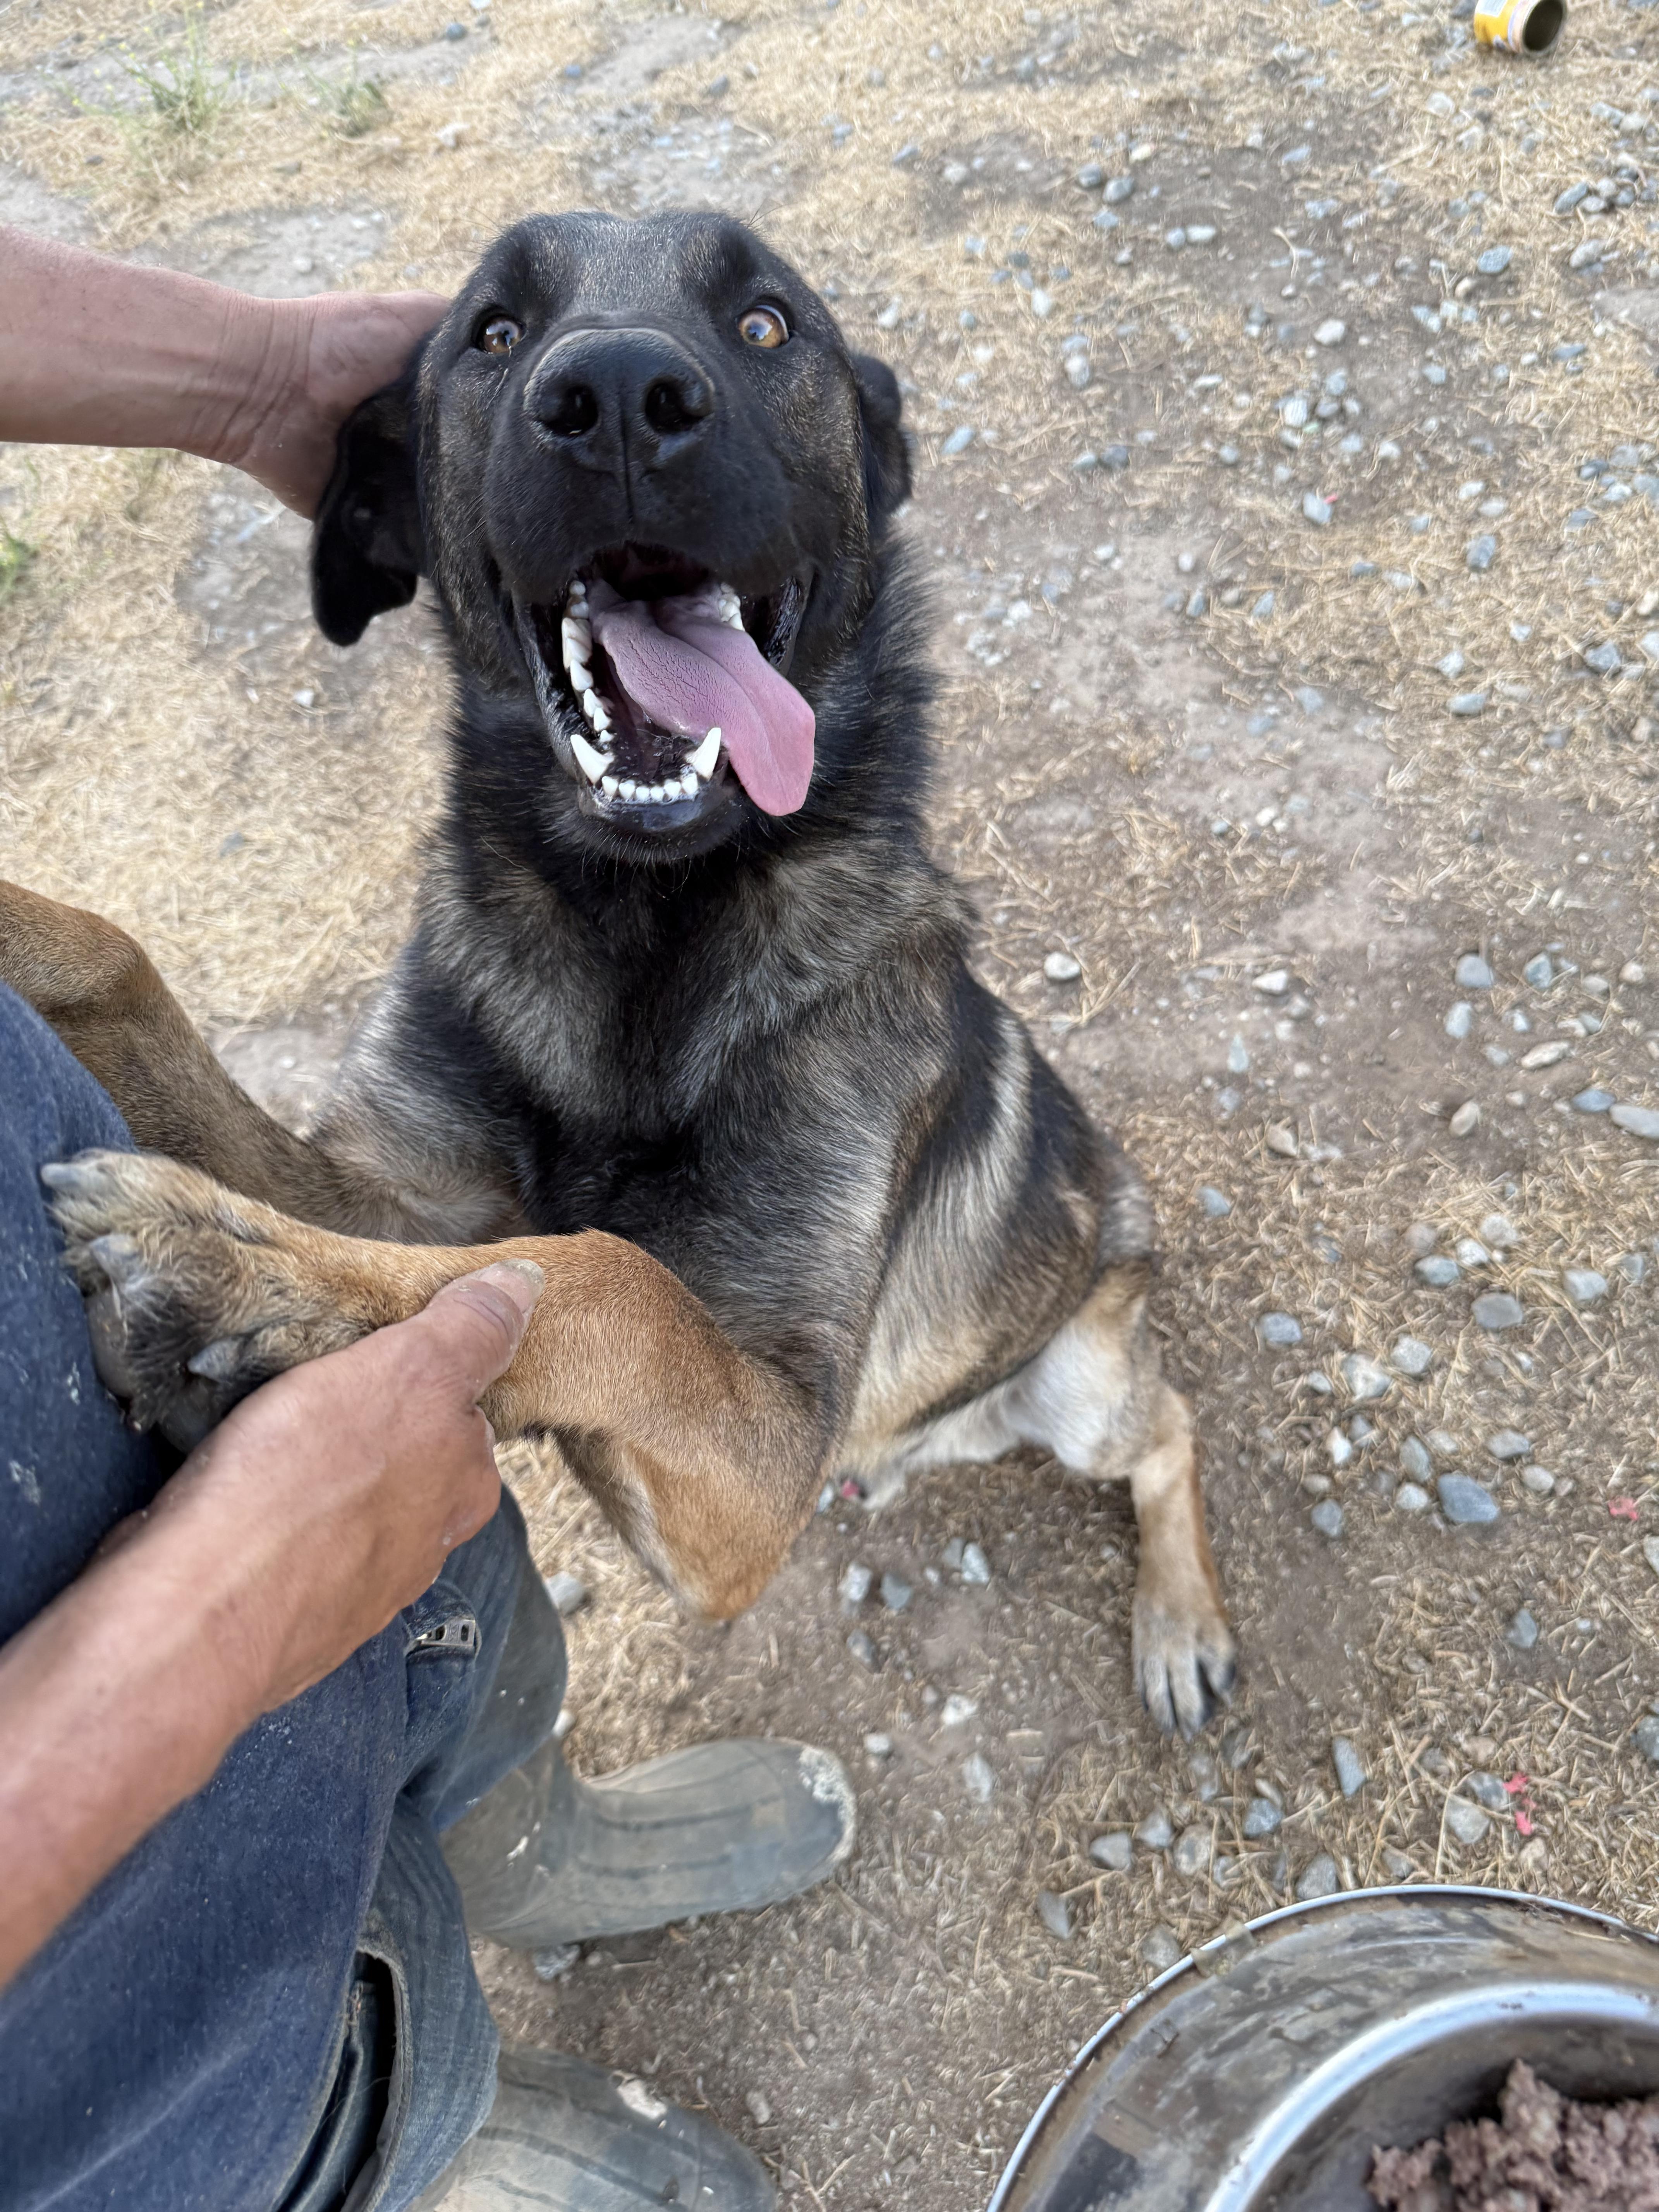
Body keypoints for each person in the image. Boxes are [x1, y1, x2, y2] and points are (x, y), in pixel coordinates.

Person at [0, 229, 855, 2212]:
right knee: (318, 2074)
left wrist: (261, 380)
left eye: (747, 330)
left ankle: (537, 1839)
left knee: (451, 1624)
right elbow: (727, 1500)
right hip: (103, 2070)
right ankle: (442, 2118)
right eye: (521, 351)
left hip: (254, 1477)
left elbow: (722, 1505)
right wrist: (192, 1638)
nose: (621, 376)